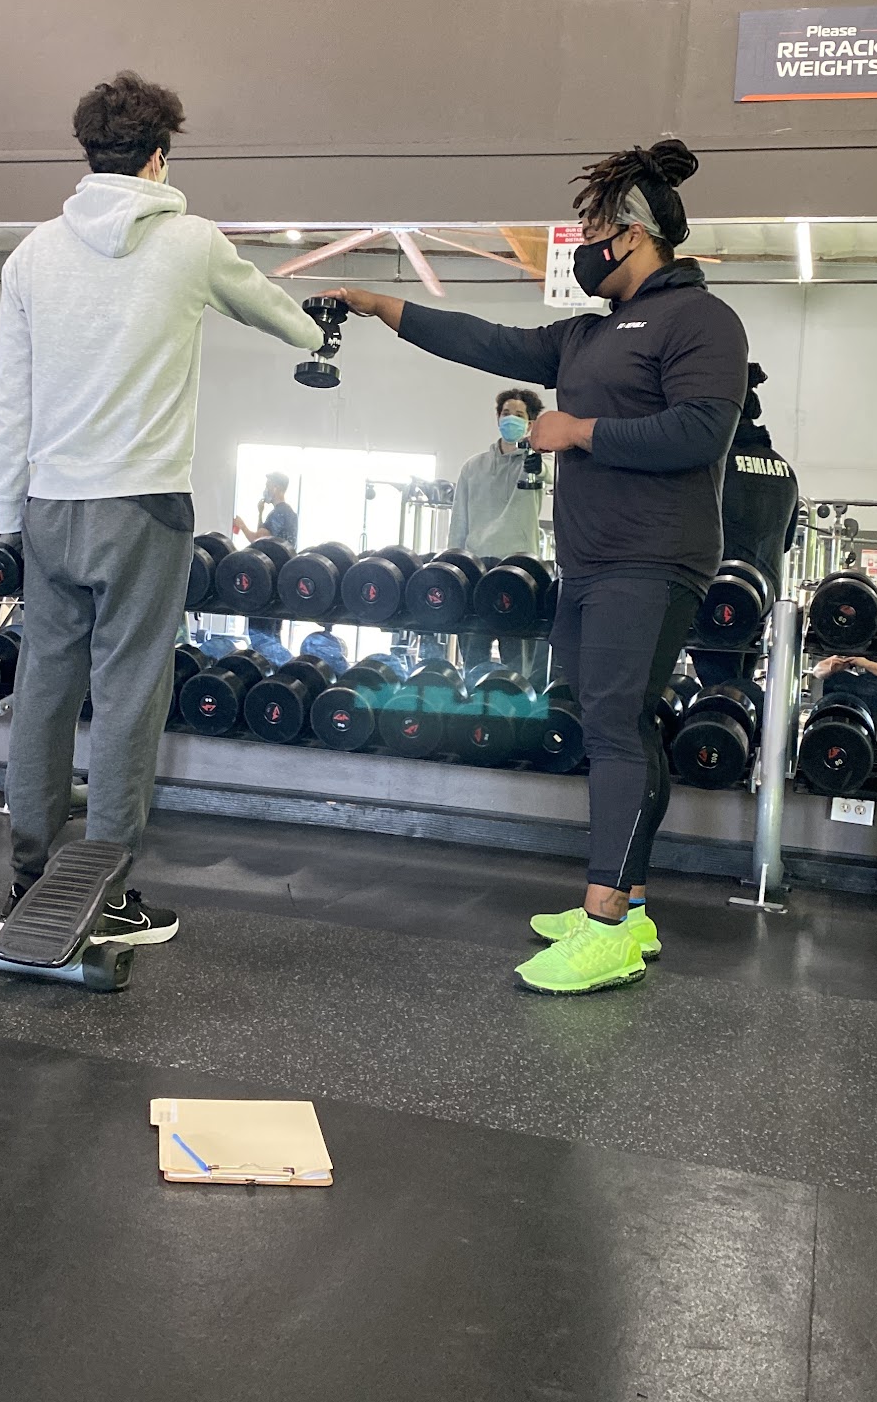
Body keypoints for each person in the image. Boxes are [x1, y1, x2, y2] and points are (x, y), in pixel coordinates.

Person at [328, 136, 747, 997]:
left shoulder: (701, 321)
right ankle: (630, 910)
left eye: (591, 232)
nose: (580, 247)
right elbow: (487, 340)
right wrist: (382, 306)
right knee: (616, 724)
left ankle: (605, 929)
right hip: (591, 561)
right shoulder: (589, 334)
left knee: (616, 725)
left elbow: (703, 430)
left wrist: (579, 430)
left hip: (654, 557)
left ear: (632, 236)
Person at [0, 70, 323, 935]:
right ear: (158, 159)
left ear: (89, 154)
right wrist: (319, 330)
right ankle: (103, 897)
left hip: (51, 504)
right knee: (128, 697)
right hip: (142, 503)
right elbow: (279, 315)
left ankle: (29, 879)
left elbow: (10, 400)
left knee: (43, 691)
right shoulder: (191, 241)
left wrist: (10, 513)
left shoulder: (32, 255)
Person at [693, 363, 800, 688]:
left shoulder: (715, 464)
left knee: (717, 691)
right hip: (763, 601)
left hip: (717, 594)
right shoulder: (784, 469)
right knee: (739, 686)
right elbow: (785, 542)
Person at [450, 386, 545, 672]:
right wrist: (453, 565)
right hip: (476, 569)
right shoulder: (473, 467)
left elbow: (549, 473)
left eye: (519, 415)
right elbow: (459, 521)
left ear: (530, 424)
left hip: (520, 571)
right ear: (498, 418)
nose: (510, 419)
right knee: (473, 660)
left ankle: (517, 701)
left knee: (517, 665)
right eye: (506, 413)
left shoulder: (537, 463)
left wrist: (537, 460)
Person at [233, 473, 297, 651]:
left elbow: (257, 539)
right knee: (272, 633)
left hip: (268, 580)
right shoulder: (289, 513)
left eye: (268, 485)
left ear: (276, 488)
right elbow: (264, 538)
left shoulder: (278, 513)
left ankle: (266, 663)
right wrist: (260, 513)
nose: (266, 489)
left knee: (261, 633)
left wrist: (242, 525)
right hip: (281, 578)